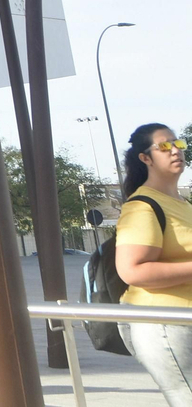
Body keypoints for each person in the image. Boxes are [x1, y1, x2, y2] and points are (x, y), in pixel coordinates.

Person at [115, 122, 192, 405]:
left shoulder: (181, 203)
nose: (175, 150)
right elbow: (132, 270)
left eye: (178, 143)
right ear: (145, 158)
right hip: (164, 324)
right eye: (164, 146)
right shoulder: (143, 206)